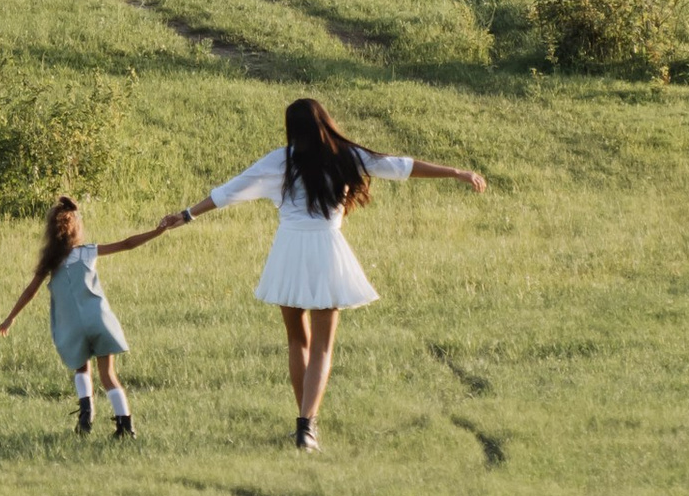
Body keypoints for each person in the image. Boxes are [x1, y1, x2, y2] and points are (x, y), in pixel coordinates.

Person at [150, 96, 486, 451]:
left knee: (298, 341)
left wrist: (185, 215)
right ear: (325, 122)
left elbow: (229, 191)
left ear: (292, 129)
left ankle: (305, 425)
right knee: (323, 348)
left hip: (288, 252)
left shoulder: (281, 160)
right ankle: (307, 427)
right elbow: (399, 166)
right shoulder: (345, 155)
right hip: (327, 251)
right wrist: (457, 172)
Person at [0, 192, 174, 438]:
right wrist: (158, 231)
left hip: (72, 326)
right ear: (76, 228)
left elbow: (30, 291)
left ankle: (86, 412)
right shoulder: (88, 252)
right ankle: (125, 426)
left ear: (52, 232)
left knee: (82, 369)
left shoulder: (51, 262)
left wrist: (11, 317)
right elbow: (126, 243)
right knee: (109, 375)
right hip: (98, 320)